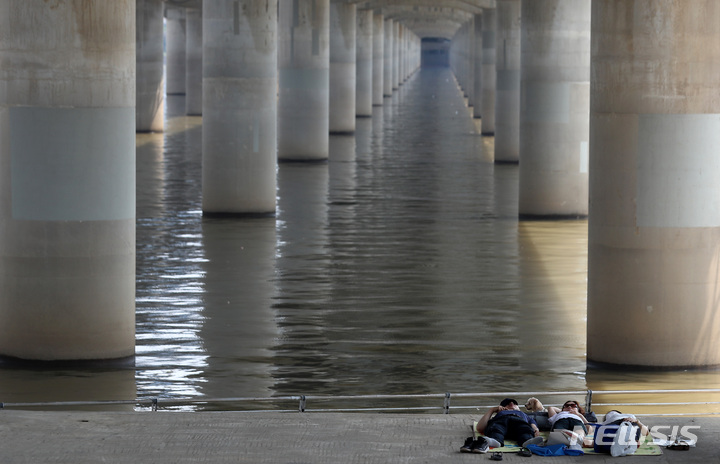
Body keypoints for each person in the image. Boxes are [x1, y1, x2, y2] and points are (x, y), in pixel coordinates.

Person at [461, 398, 543, 453]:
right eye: (507, 404)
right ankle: (494, 441)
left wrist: (535, 429)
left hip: (519, 421)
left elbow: (532, 424)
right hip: (502, 420)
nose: (511, 404)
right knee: (496, 428)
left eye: (514, 403)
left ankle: (526, 441)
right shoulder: (500, 414)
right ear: (502, 407)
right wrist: (492, 410)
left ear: (518, 407)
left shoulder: (523, 414)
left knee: (525, 429)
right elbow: (480, 428)